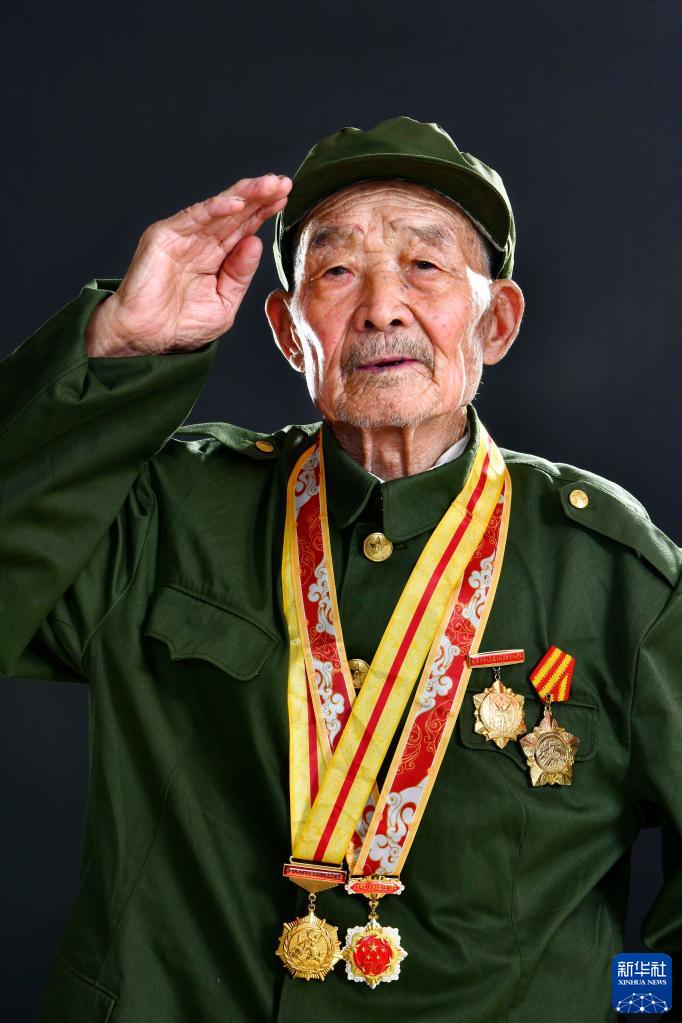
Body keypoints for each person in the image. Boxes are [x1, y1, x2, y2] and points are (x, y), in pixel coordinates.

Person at [0, 116, 679, 1023]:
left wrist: (637, 1010)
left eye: (425, 265)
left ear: (498, 322)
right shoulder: (169, 510)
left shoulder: (613, 570)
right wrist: (117, 351)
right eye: (336, 271)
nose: (382, 307)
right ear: (288, 331)